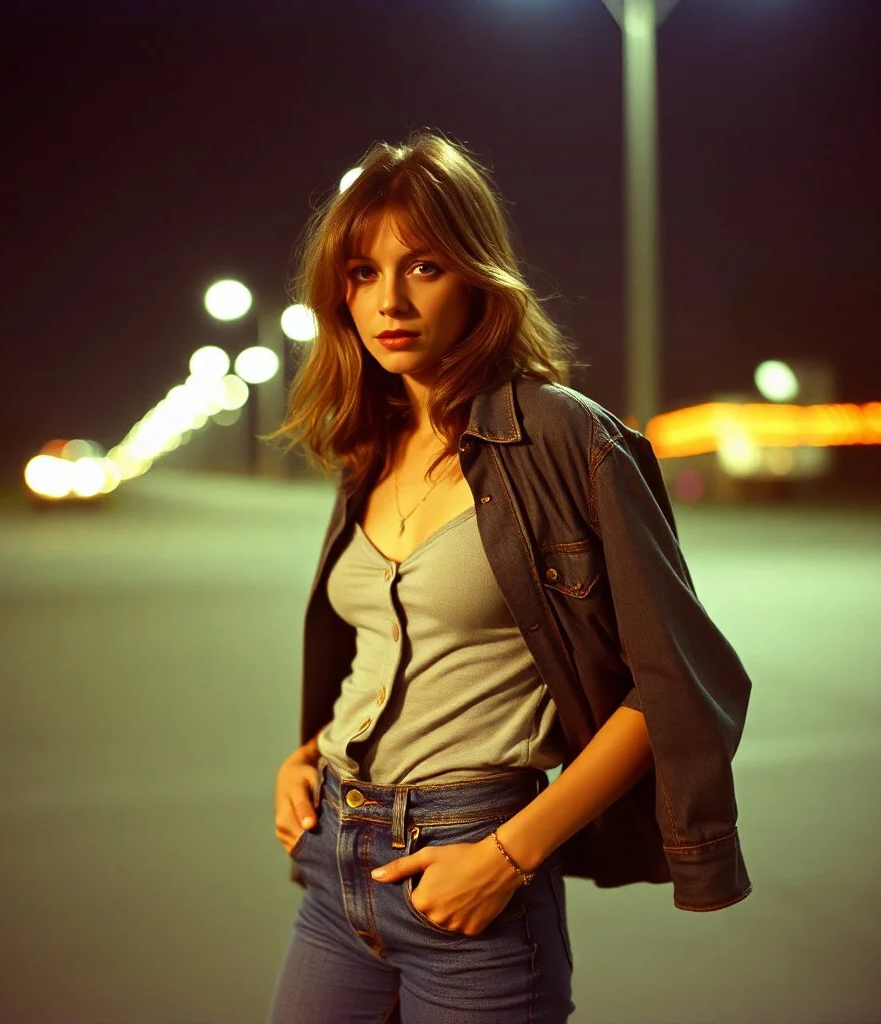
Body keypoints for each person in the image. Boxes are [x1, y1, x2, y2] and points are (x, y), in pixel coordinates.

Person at [268, 132, 752, 1024]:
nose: (390, 301)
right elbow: (382, 641)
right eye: (363, 274)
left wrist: (508, 857)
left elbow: (678, 684)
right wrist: (306, 756)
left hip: (474, 867)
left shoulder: (567, 438)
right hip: (336, 860)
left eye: (422, 266)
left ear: (478, 276)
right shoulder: (369, 448)